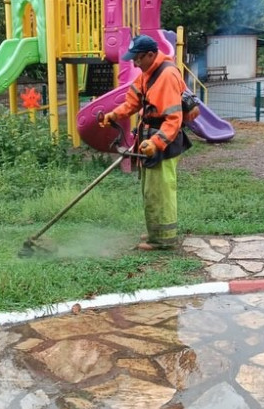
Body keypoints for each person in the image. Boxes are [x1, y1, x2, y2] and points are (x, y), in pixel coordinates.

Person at [99, 34, 192, 251]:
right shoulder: (146, 73)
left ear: (151, 54)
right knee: (149, 190)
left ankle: (163, 240)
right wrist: (113, 115)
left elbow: (174, 119)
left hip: (164, 142)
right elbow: (131, 102)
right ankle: (155, 231)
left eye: (138, 58)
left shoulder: (167, 75)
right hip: (149, 138)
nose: (135, 63)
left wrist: (156, 143)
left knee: (160, 191)